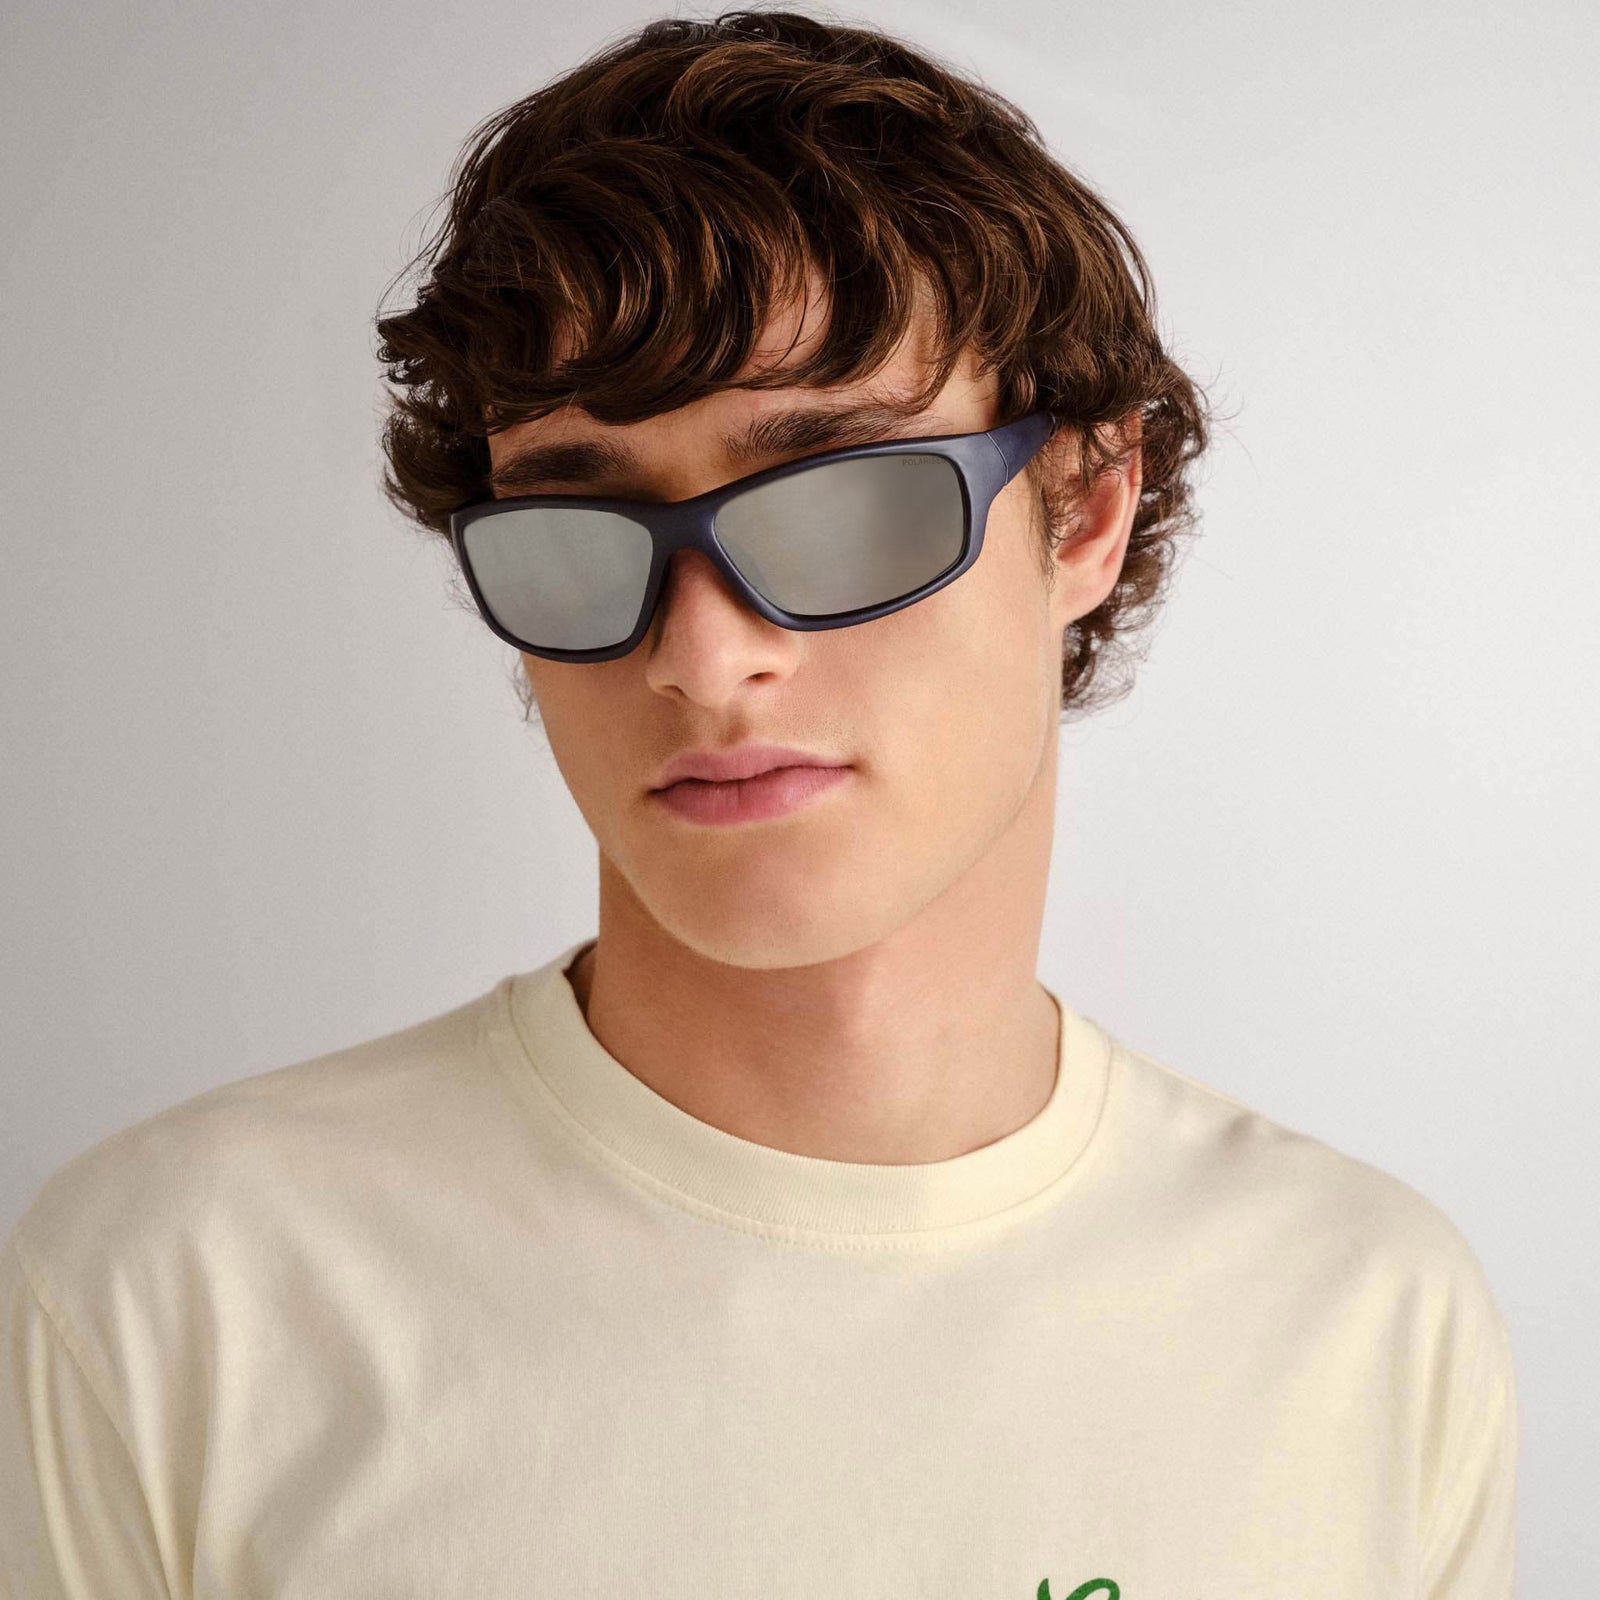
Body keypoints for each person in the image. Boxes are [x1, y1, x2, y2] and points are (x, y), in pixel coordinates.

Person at [0, 9, 1516, 1597]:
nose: (706, 658)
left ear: (1084, 507)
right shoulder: (180, 1299)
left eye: (837, 501)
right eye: (582, 526)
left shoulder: (1365, 1325)